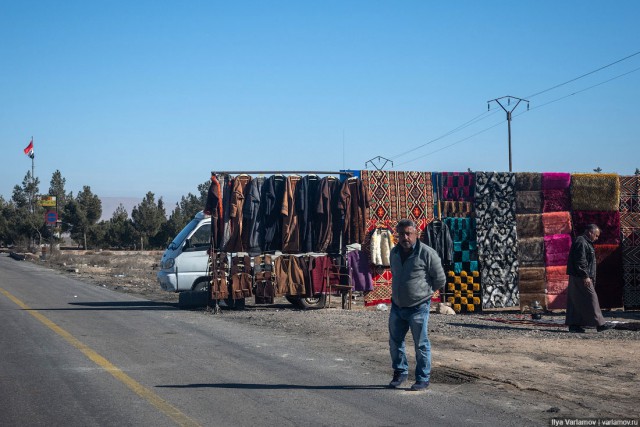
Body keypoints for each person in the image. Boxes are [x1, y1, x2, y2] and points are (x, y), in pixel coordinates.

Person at [388, 219, 446, 391]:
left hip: (418, 306)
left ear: (416, 233)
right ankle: (400, 372)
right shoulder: (394, 253)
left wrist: (425, 294)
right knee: (395, 342)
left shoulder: (427, 253)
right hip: (397, 306)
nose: (405, 237)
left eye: (408, 233)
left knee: (421, 344)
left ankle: (422, 378)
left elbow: (440, 279)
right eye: (401, 234)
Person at [565, 224, 610, 333]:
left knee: (576, 300)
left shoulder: (584, 242)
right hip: (580, 276)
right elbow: (580, 261)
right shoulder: (581, 242)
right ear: (590, 232)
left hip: (578, 276)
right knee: (591, 298)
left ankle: (574, 325)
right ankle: (600, 324)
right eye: (596, 235)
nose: (597, 238)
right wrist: (585, 276)